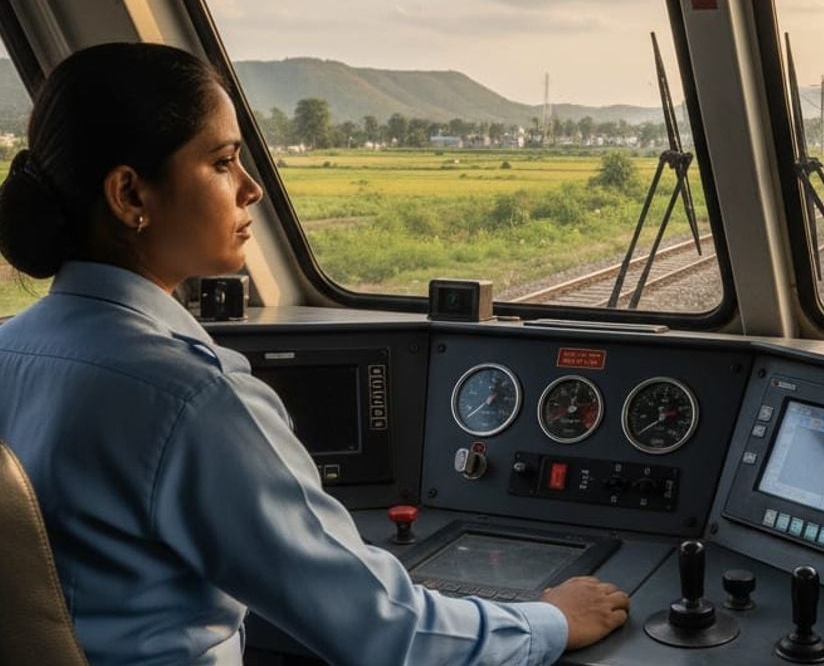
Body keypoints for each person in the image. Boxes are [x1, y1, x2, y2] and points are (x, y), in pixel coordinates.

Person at [0, 42, 629, 665]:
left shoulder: (8, 348)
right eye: (222, 161)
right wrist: (549, 622)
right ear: (130, 195)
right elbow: (386, 633)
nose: (251, 189)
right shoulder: (191, 398)